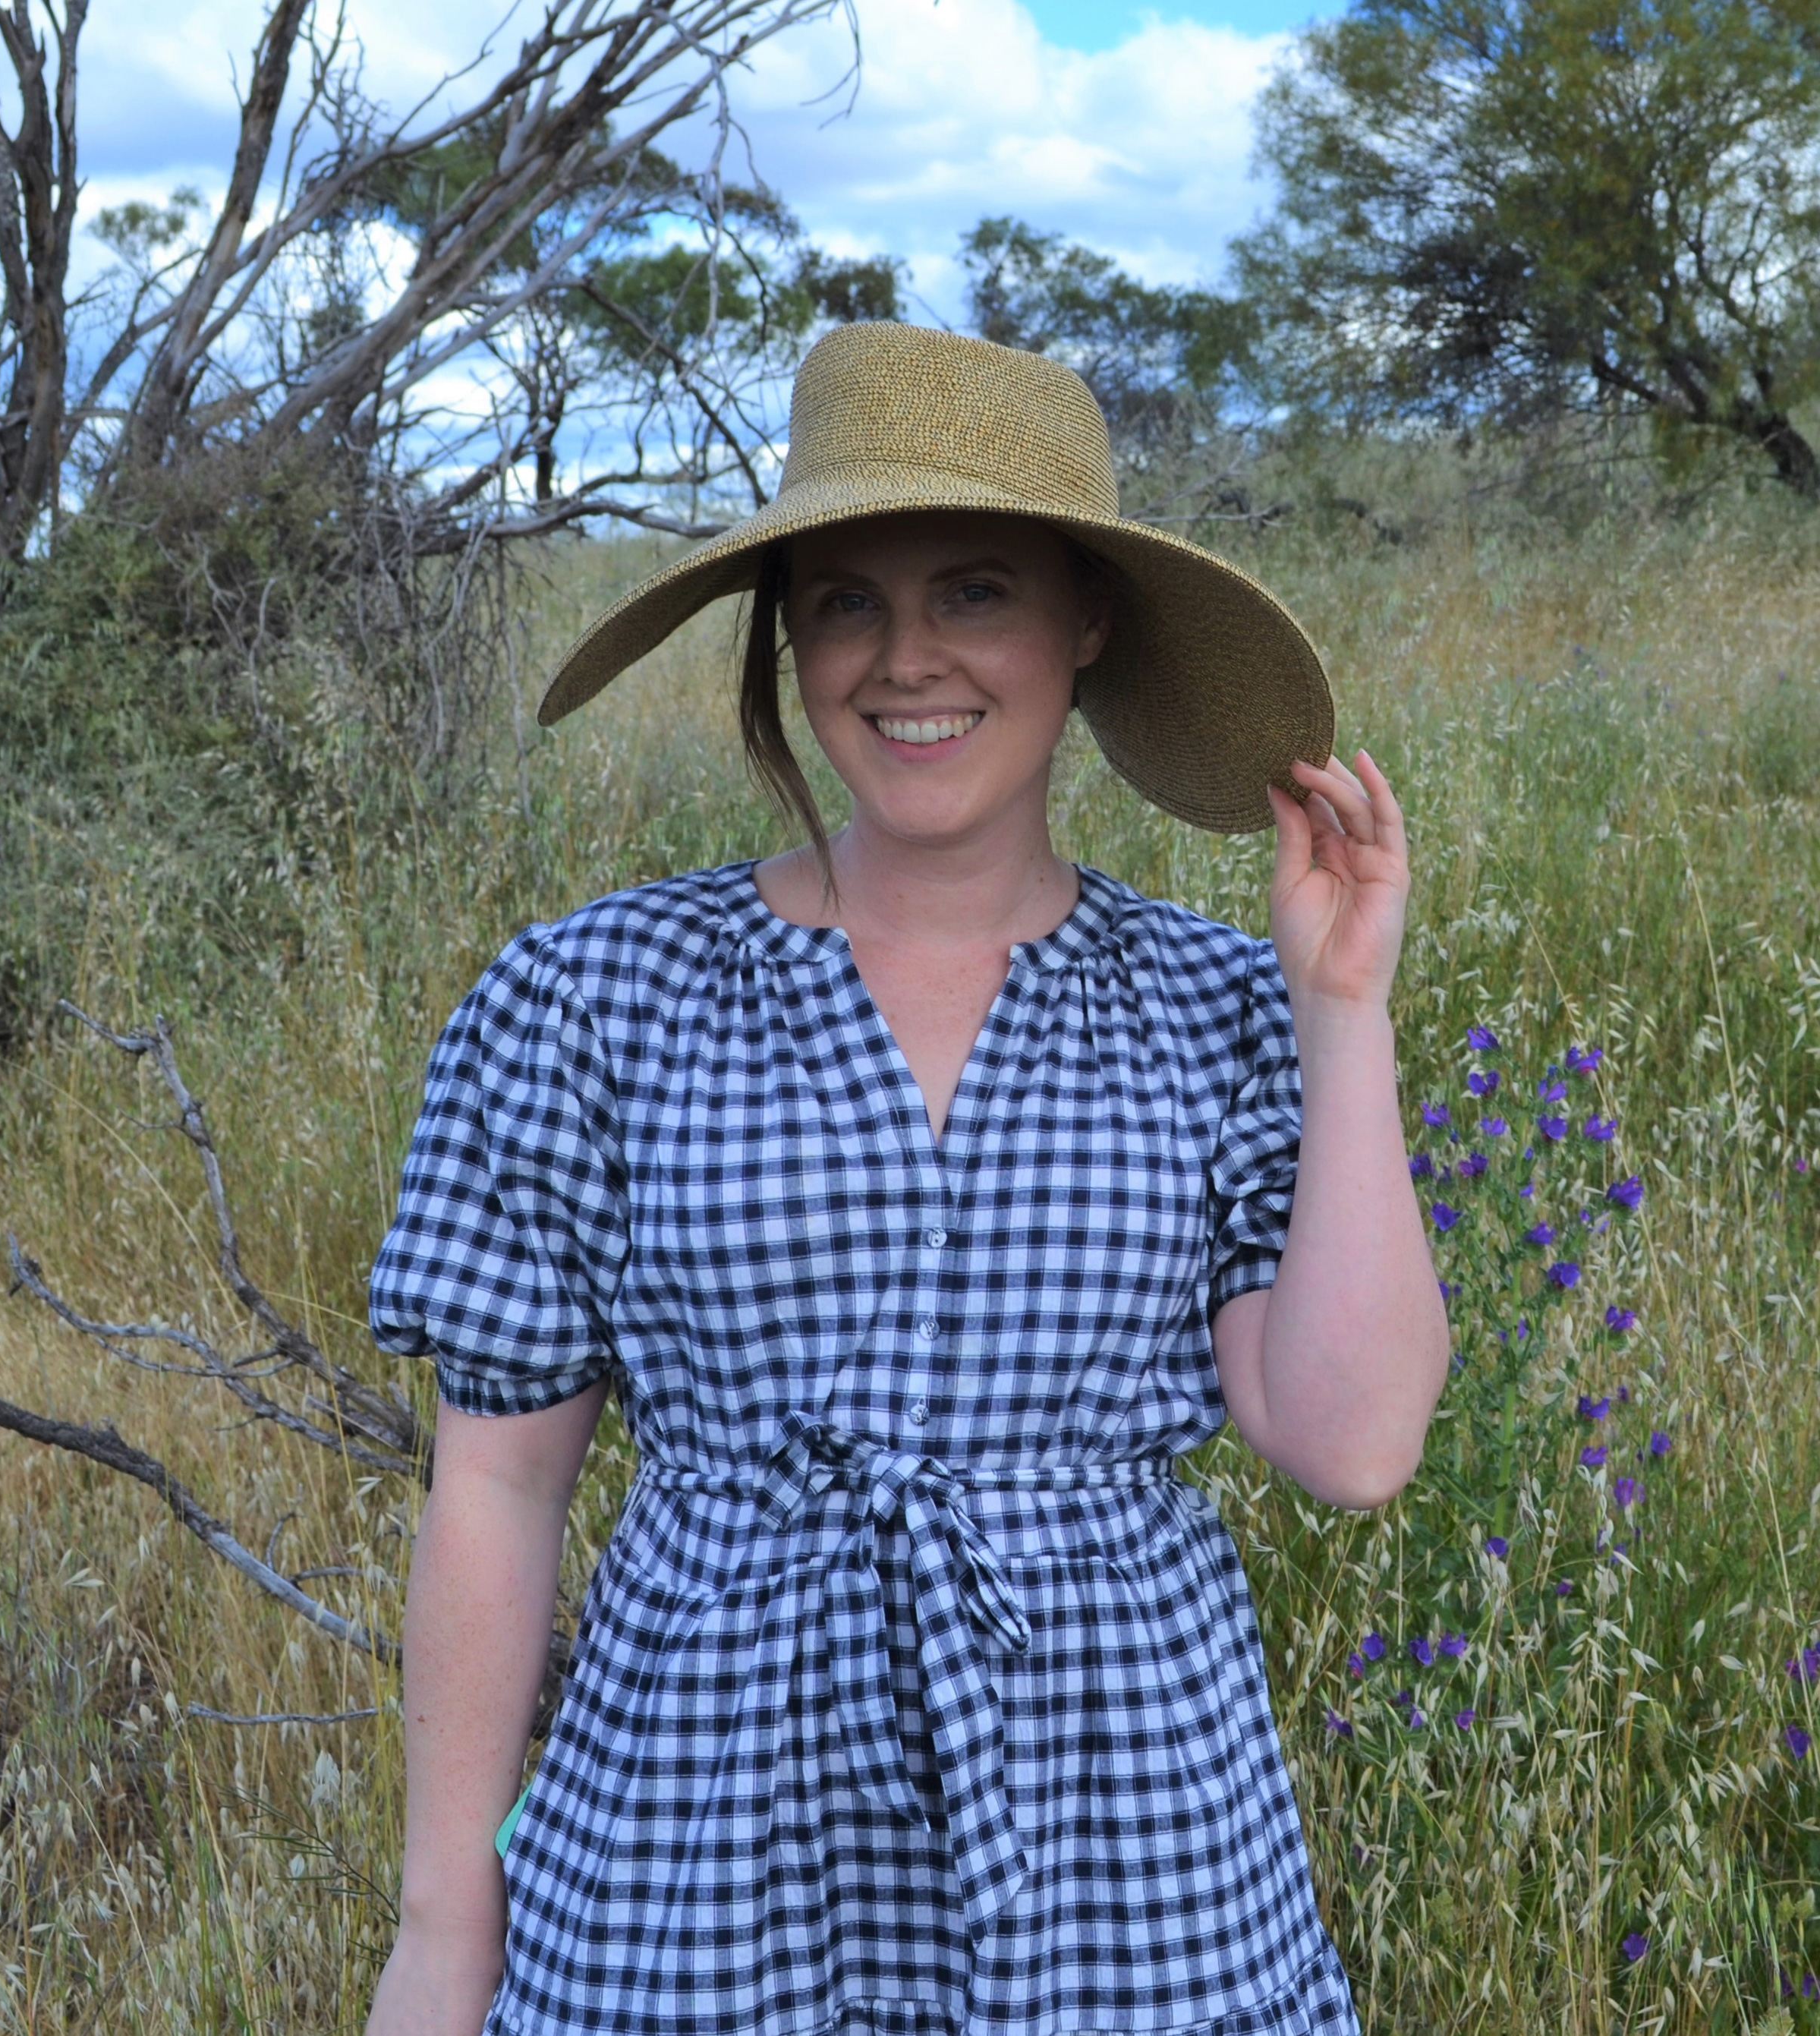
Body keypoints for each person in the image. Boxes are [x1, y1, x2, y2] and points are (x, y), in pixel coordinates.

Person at [364, 322, 1449, 2036]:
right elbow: (496, 1492)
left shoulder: (1221, 1008)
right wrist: (442, 1933)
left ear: (1087, 622)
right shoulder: (591, 999)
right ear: (789, 636)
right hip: (696, 1858)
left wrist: (1342, 1009)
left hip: (1130, 1872)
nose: (904, 659)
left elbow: (1354, 1440)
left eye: (975, 592)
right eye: (846, 602)